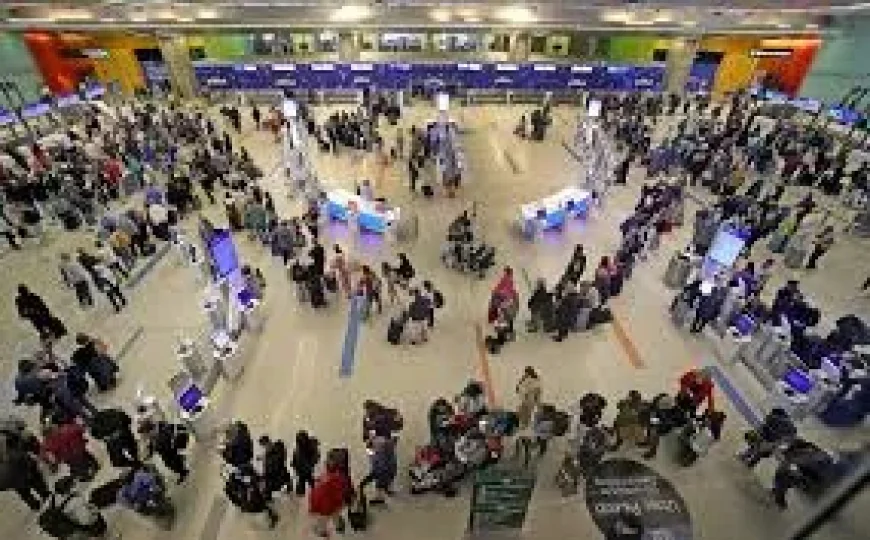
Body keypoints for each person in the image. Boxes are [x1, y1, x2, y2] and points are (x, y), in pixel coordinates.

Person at [225, 463, 279, 528]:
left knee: (261, 503)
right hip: (249, 497)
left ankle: (271, 514)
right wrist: (241, 504)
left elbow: (255, 475)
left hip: (255, 491)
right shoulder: (229, 485)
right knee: (259, 506)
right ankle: (271, 514)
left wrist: (255, 483)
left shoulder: (243, 468)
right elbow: (233, 497)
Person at [139, 420, 189, 484]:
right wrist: (148, 455)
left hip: (169, 447)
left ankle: (183, 472)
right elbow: (152, 445)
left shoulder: (160, 426)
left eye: (144, 432)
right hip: (164, 451)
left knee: (174, 462)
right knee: (170, 464)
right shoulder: (151, 435)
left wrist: (183, 429)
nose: (144, 434)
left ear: (147, 428)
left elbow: (173, 426)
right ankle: (182, 469)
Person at [309, 462, 349, 537]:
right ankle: (339, 527)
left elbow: (315, 497)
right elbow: (345, 490)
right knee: (336, 516)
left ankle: (322, 531)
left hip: (324, 508)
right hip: (336, 504)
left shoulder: (321, 483)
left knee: (323, 521)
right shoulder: (341, 479)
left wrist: (313, 508)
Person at [361, 436, 397, 505]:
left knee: (381, 477)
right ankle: (381, 494)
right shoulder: (381, 447)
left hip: (384, 469)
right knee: (381, 477)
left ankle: (381, 495)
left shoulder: (380, 448)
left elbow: (379, 465)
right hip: (385, 467)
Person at [292, 430, 320, 496]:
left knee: (307, 479)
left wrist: (309, 464)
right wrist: (294, 463)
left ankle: (315, 491)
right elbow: (296, 455)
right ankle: (304, 491)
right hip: (302, 468)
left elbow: (315, 457)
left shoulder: (310, 446)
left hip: (306, 468)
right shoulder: (300, 446)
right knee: (306, 479)